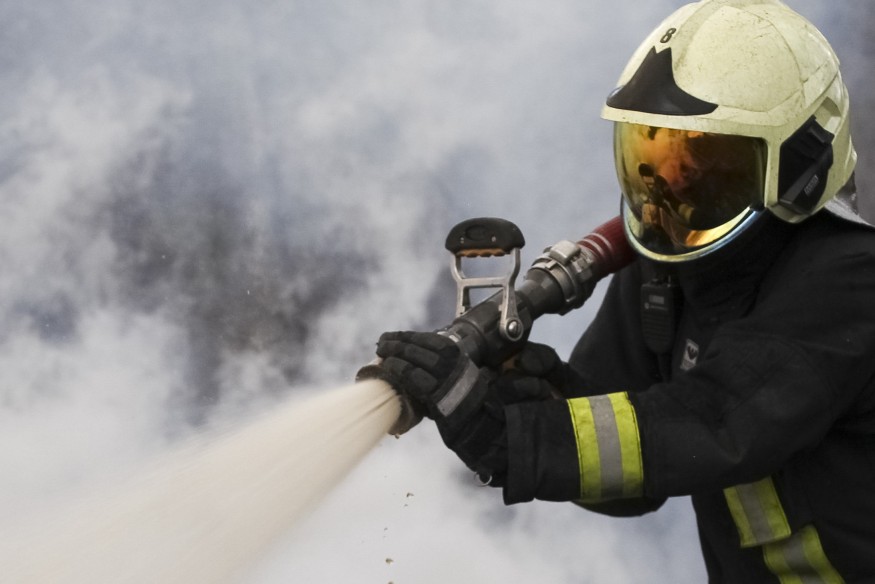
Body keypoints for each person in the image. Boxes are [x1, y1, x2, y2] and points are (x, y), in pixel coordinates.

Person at [371, 1, 875, 581]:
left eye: (705, 164)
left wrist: (514, 440)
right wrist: (538, 401)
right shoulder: (668, 277)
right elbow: (630, 471)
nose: (668, 191)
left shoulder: (850, 283)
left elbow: (717, 424)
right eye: (652, 157)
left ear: (799, 164)